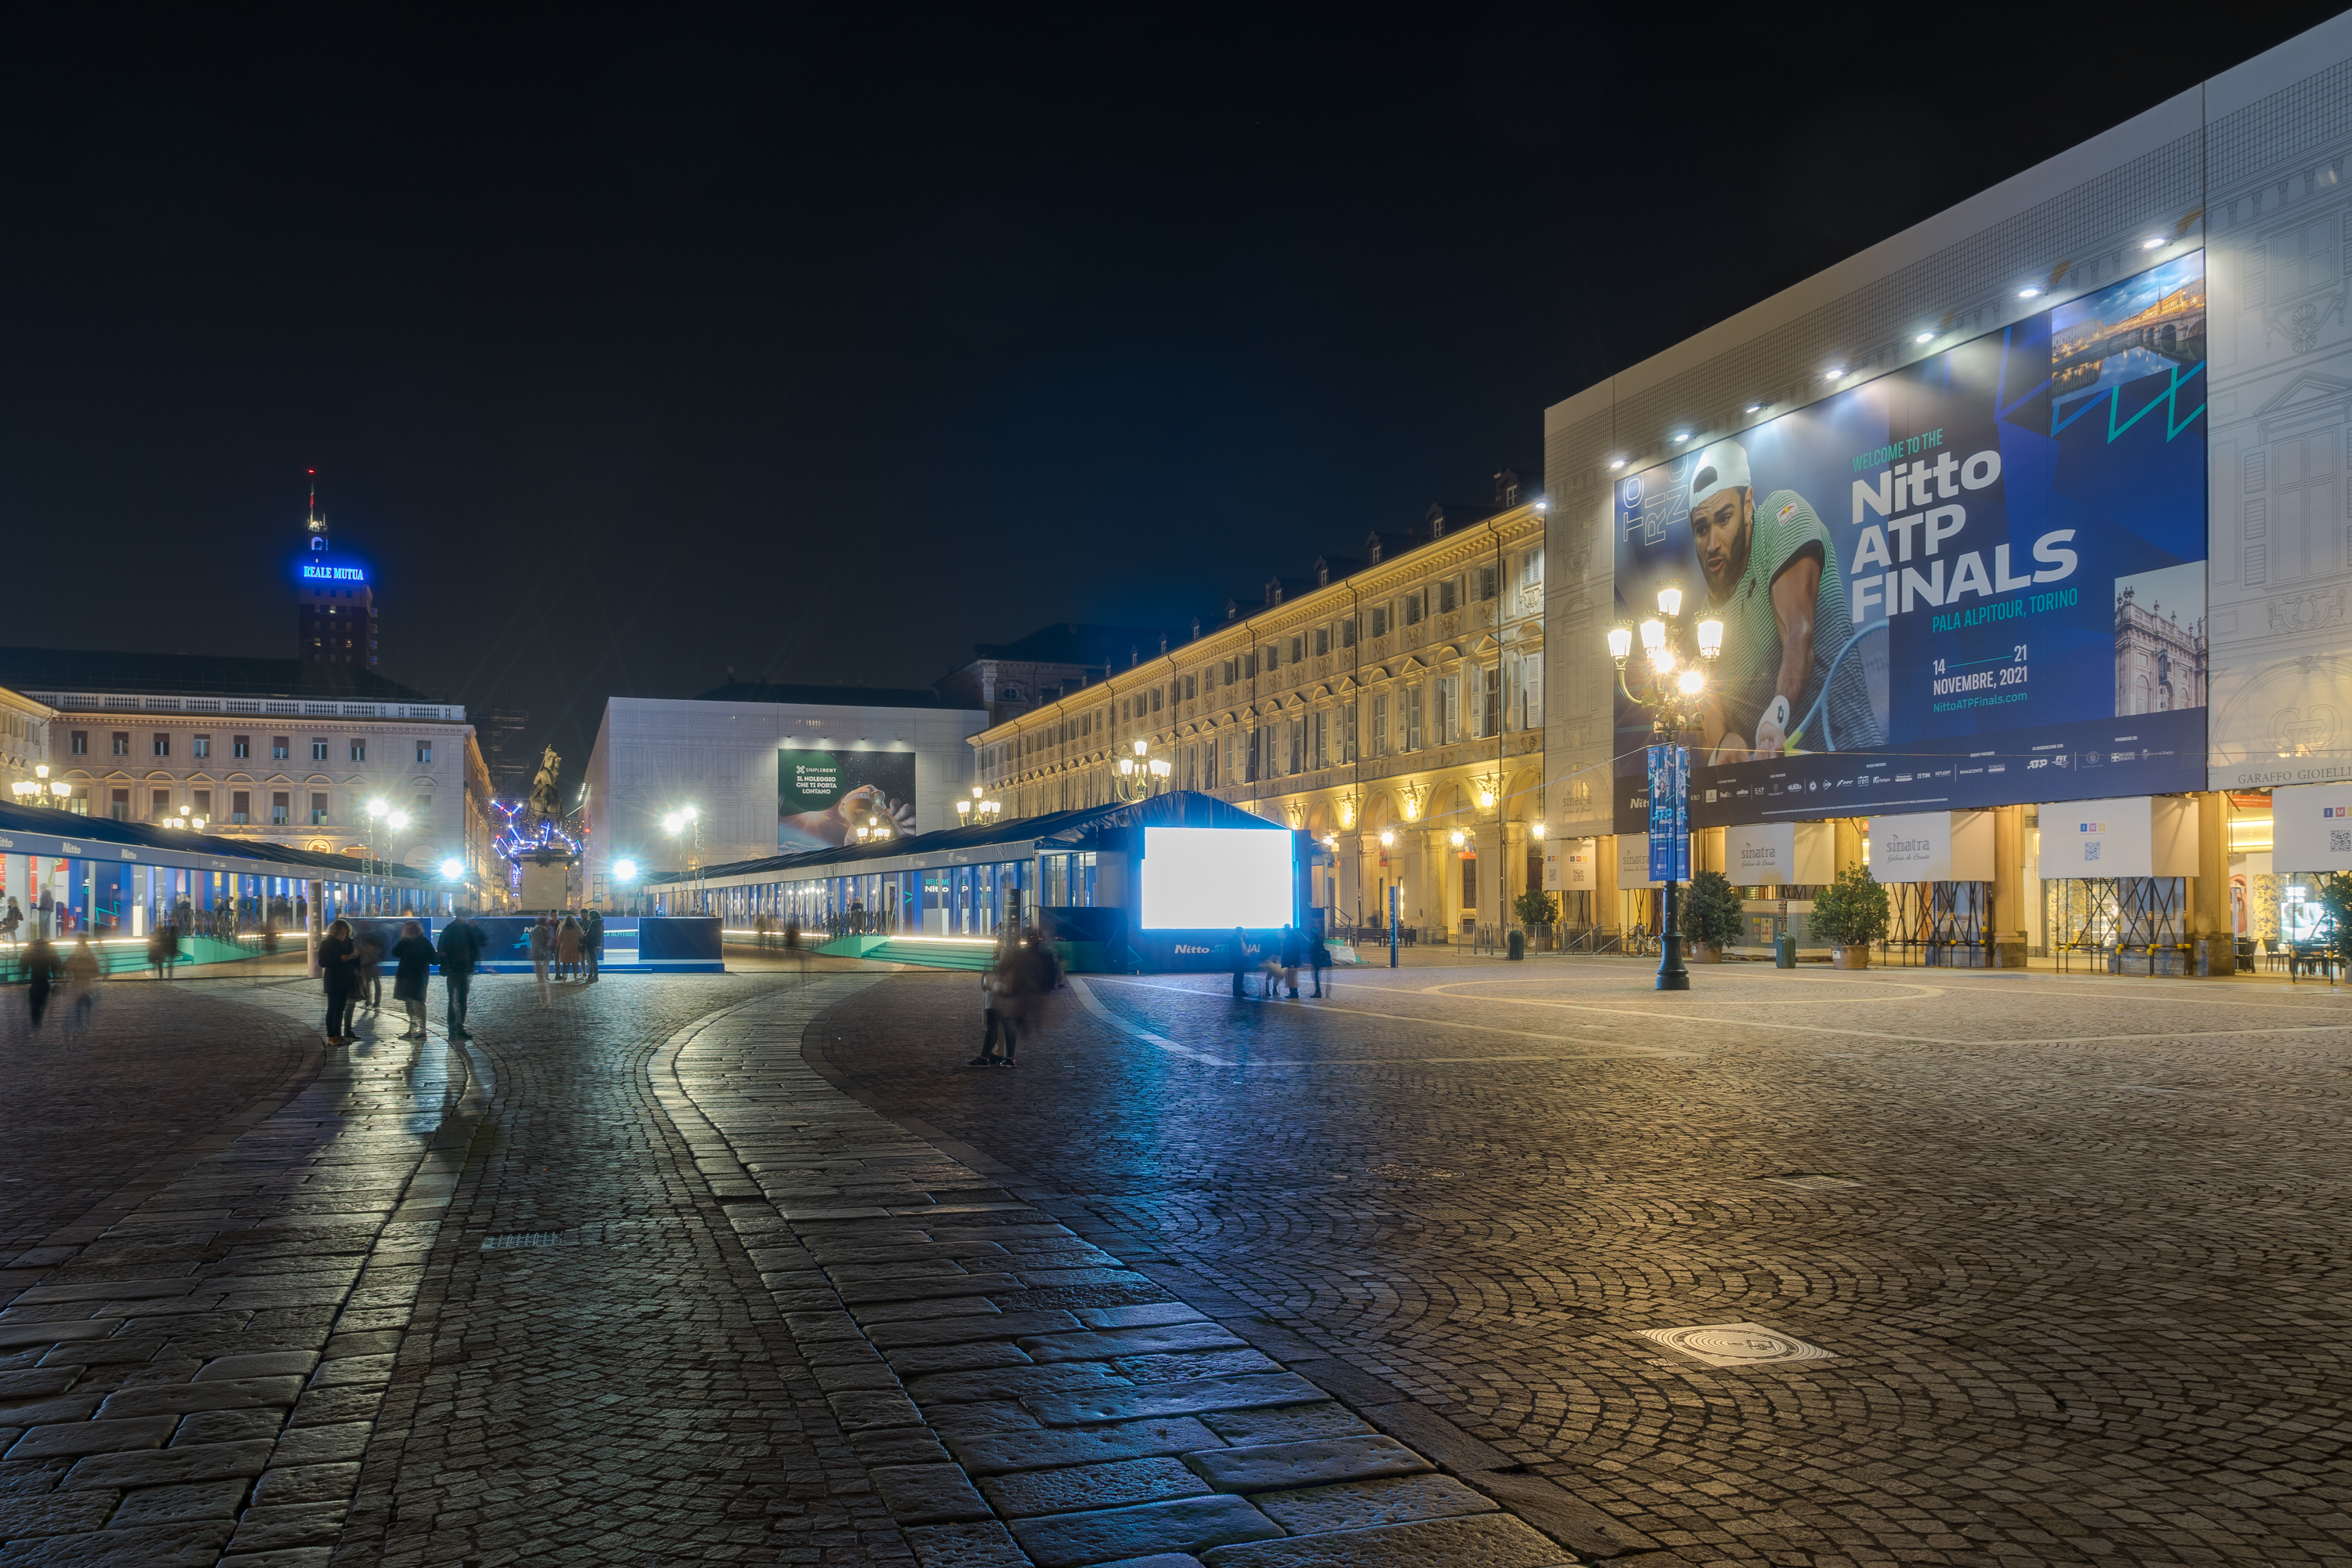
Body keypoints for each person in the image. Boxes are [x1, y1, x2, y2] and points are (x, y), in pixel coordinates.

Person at [1682, 438, 1882, 764]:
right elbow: (1710, 700)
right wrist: (1723, 743)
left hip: (1853, 757)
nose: (1712, 543)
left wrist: (1776, 714)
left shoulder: (1782, 515)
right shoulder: (1704, 620)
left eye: (1724, 519)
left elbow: (1797, 633)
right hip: (1774, 793)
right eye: (1702, 529)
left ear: (1748, 505)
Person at [437, 912, 484, 1039]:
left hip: (453, 969)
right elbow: (482, 942)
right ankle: (459, 1026)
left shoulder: (447, 930)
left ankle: (452, 1027)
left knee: (453, 998)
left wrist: (444, 966)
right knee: (462, 999)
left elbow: (441, 949)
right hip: (464, 968)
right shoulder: (468, 930)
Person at [970, 932, 1014, 1066]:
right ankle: (1000, 1053)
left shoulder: (1003, 963)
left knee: (993, 1025)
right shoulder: (994, 961)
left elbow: (986, 981)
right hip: (995, 997)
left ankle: (992, 1055)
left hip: (997, 998)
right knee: (995, 1025)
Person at [318, 919, 360, 1044]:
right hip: (333, 979)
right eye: (340, 933)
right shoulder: (327, 944)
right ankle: (331, 1036)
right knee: (332, 1008)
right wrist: (341, 959)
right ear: (335, 932)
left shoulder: (349, 943)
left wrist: (356, 957)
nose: (343, 935)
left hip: (346, 979)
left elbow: (354, 962)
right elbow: (323, 962)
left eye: (345, 933)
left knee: (341, 1008)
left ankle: (338, 1034)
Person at [390, 920, 434, 1040]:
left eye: (411, 930)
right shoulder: (405, 942)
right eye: (407, 930)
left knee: (418, 1003)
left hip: (418, 977)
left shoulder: (424, 942)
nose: (409, 932)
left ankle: (422, 1031)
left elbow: (434, 959)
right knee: (409, 1003)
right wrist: (403, 940)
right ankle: (413, 1029)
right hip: (405, 976)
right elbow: (395, 952)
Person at [64, 935, 100, 1031]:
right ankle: (87, 1019)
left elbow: (68, 967)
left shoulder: (74, 954)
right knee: (87, 998)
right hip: (87, 981)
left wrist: (66, 981)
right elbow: (96, 970)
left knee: (78, 1004)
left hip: (77, 981)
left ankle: (80, 1024)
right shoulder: (90, 955)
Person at [22, 935, 57, 1028]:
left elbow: (24, 962)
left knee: (34, 1002)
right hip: (45, 980)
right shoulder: (49, 949)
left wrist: (23, 972)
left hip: (35, 980)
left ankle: (35, 1019)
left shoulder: (32, 949)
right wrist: (56, 977)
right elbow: (55, 963)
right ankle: (38, 1017)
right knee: (43, 1000)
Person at [357, 926, 386, 1014]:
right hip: (372, 964)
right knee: (375, 982)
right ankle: (375, 1001)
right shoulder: (375, 938)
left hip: (367, 964)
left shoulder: (362, 939)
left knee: (368, 982)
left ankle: (369, 1000)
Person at [528, 916, 554, 1008]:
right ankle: (546, 1001)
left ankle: (545, 1002)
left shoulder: (536, 930)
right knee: (544, 977)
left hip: (538, 954)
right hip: (545, 954)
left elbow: (533, 942)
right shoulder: (548, 930)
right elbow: (548, 942)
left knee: (541, 979)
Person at [1277, 924, 1303, 1000]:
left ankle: (1294, 993)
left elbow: (1292, 951)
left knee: (1292, 978)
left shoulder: (1291, 937)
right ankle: (1293, 992)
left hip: (1291, 961)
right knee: (1292, 977)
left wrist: (1291, 962)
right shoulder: (1294, 936)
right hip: (1292, 961)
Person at [557, 915, 583, 980]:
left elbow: (559, 938)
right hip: (575, 948)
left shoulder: (563, 928)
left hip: (565, 948)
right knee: (575, 964)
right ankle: (576, 977)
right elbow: (581, 937)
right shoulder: (577, 928)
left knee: (565, 964)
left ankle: (564, 977)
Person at [583, 907, 603, 982]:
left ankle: (595, 976)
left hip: (592, 945)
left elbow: (590, 935)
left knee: (593, 961)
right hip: (599, 944)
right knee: (593, 960)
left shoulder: (593, 924)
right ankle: (591, 975)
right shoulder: (601, 924)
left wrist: (585, 935)